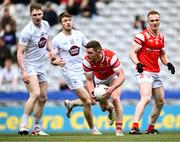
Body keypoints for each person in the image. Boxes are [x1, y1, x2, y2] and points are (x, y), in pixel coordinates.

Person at [51, 12, 101, 135]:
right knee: (88, 102)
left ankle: (71, 104)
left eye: (69, 20)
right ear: (61, 23)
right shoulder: (57, 39)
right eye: (65, 21)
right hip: (70, 74)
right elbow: (52, 60)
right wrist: (57, 62)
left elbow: (90, 47)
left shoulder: (79, 34)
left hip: (84, 71)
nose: (68, 22)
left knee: (94, 100)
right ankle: (93, 129)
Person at [129, 10, 175, 135]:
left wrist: (168, 63)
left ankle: (150, 128)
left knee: (160, 101)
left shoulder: (161, 37)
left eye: (156, 20)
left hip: (156, 72)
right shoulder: (142, 36)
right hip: (144, 71)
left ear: (159, 21)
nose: (155, 22)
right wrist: (138, 63)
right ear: (148, 22)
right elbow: (132, 52)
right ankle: (134, 126)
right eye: (152, 20)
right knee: (146, 98)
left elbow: (163, 55)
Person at [17, 3, 56, 136]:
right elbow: (20, 52)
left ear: (42, 14)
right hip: (29, 66)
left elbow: (47, 40)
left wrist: (51, 50)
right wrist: (23, 71)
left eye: (39, 14)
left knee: (43, 98)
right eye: (35, 15)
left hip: (41, 66)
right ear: (30, 15)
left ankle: (37, 129)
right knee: (35, 94)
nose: (38, 17)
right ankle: (23, 125)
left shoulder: (45, 24)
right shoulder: (27, 31)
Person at [82, 40, 125, 136]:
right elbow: (89, 80)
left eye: (90, 53)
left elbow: (122, 76)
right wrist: (91, 92)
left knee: (115, 98)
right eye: (87, 52)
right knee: (103, 108)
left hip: (113, 77)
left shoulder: (111, 57)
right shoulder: (86, 61)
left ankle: (119, 130)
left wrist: (112, 88)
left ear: (98, 52)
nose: (88, 55)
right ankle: (111, 110)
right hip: (99, 81)